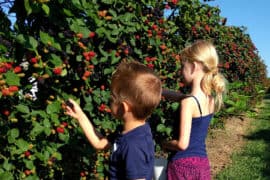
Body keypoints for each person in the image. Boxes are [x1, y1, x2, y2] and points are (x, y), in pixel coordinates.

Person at [65, 60, 162, 180]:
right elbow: (99, 143)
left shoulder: (133, 145)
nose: (109, 101)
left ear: (123, 107)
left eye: (112, 99)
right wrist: (80, 116)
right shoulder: (132, 131)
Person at [162, 40, 226, 180]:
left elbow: (182, 144)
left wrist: (165, 144)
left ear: (193, 66)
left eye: (182, 66)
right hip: (202, 164)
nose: (180, 71)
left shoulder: (188, 103)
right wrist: (161, 92)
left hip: (182, 165)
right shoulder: (210, 100)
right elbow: (183, 97)